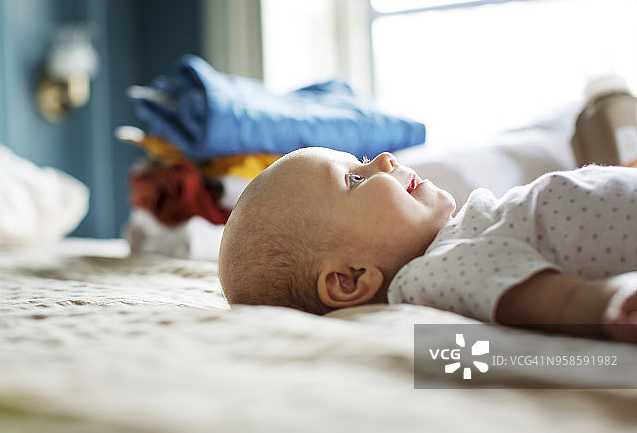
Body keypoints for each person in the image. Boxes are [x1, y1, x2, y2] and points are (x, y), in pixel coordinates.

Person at [218, 147, 637, 343]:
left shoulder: (459, 235)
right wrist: (608, 303)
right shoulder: (433, 270)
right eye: (355, 179)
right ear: (349, 280)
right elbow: (551, 301)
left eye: (359, 159)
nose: (384, 159)